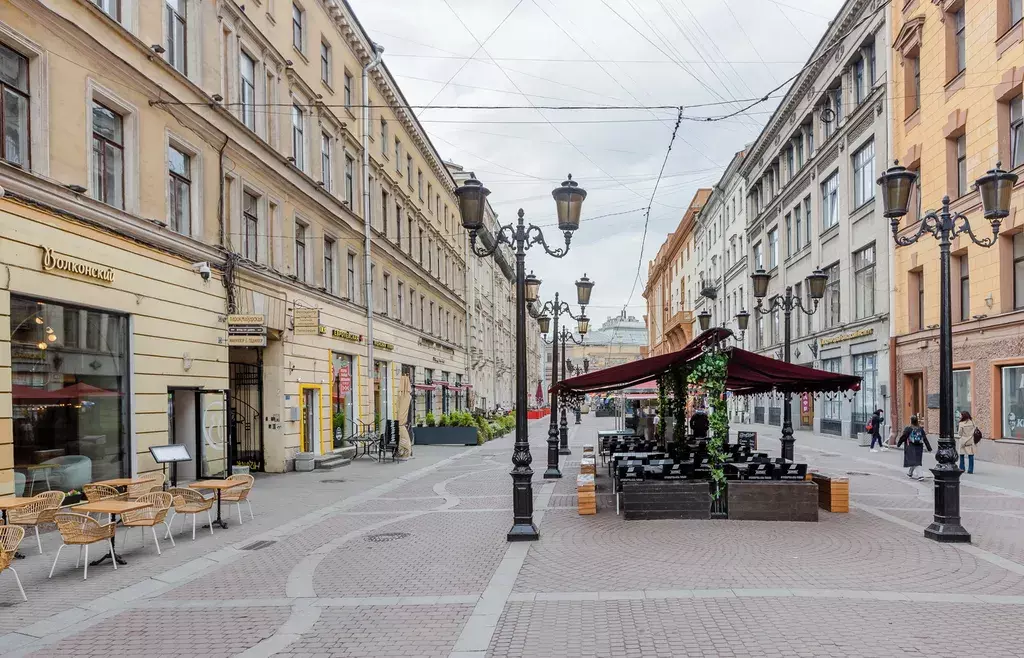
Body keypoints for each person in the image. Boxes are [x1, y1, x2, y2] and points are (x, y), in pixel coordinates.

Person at [897, 415, 933, 480]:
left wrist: (899, 444)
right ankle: (910, 473)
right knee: (916, 460)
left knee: (915, 461)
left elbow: (903, 437)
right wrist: (929, 448)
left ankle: (920, 475)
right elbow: (925, 439)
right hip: (919, 447)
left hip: (910, 447)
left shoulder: (908, 428)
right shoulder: (920, 429)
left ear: (911, 421)